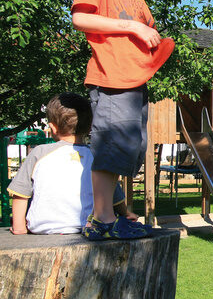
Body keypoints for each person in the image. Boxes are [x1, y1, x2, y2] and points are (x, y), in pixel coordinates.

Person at [71, 0, 173, 240]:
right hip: (111, 77)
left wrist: (151, 40)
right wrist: (132, 28)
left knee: (128, 148)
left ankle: (119, 213)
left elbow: (144, 24)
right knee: (111, 145)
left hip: (133, 78)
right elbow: (80, 18)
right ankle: (101, 219)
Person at [7, 93, 131, 235]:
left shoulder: (39, 153)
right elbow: (114, 195)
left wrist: (19, 227)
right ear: (90, 127)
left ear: (52, 128)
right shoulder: (98, 156)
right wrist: (125, 213)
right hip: (89, 226)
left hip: (43, 227)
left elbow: (21, 193)